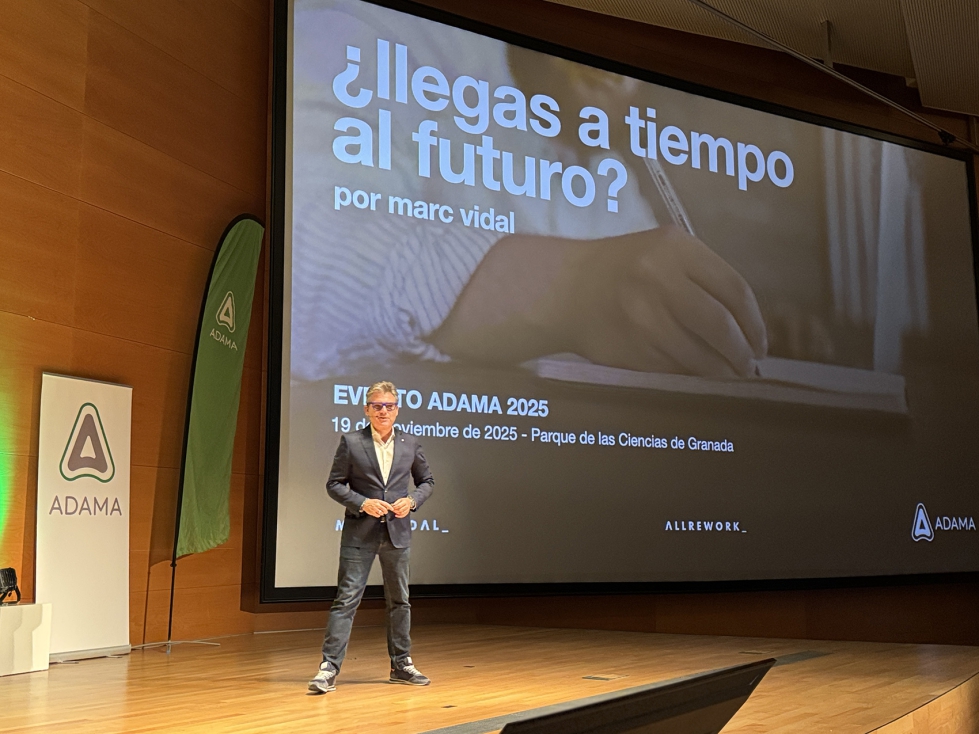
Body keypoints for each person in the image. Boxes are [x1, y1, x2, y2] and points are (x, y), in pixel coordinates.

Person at [308, 381, 435, 694]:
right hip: (360, 533)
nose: (383, 411)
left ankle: (401, 664)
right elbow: (334, 485)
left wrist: (413, 501)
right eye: (377, 406)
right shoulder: (351, 442)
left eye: (389, 406)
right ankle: (328, 669)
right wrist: (362, 502)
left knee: (400, 601)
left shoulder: (409, 442)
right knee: (346, 600)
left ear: (397, 410)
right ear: (366, 409)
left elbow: (427, 481)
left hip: (397, 533)